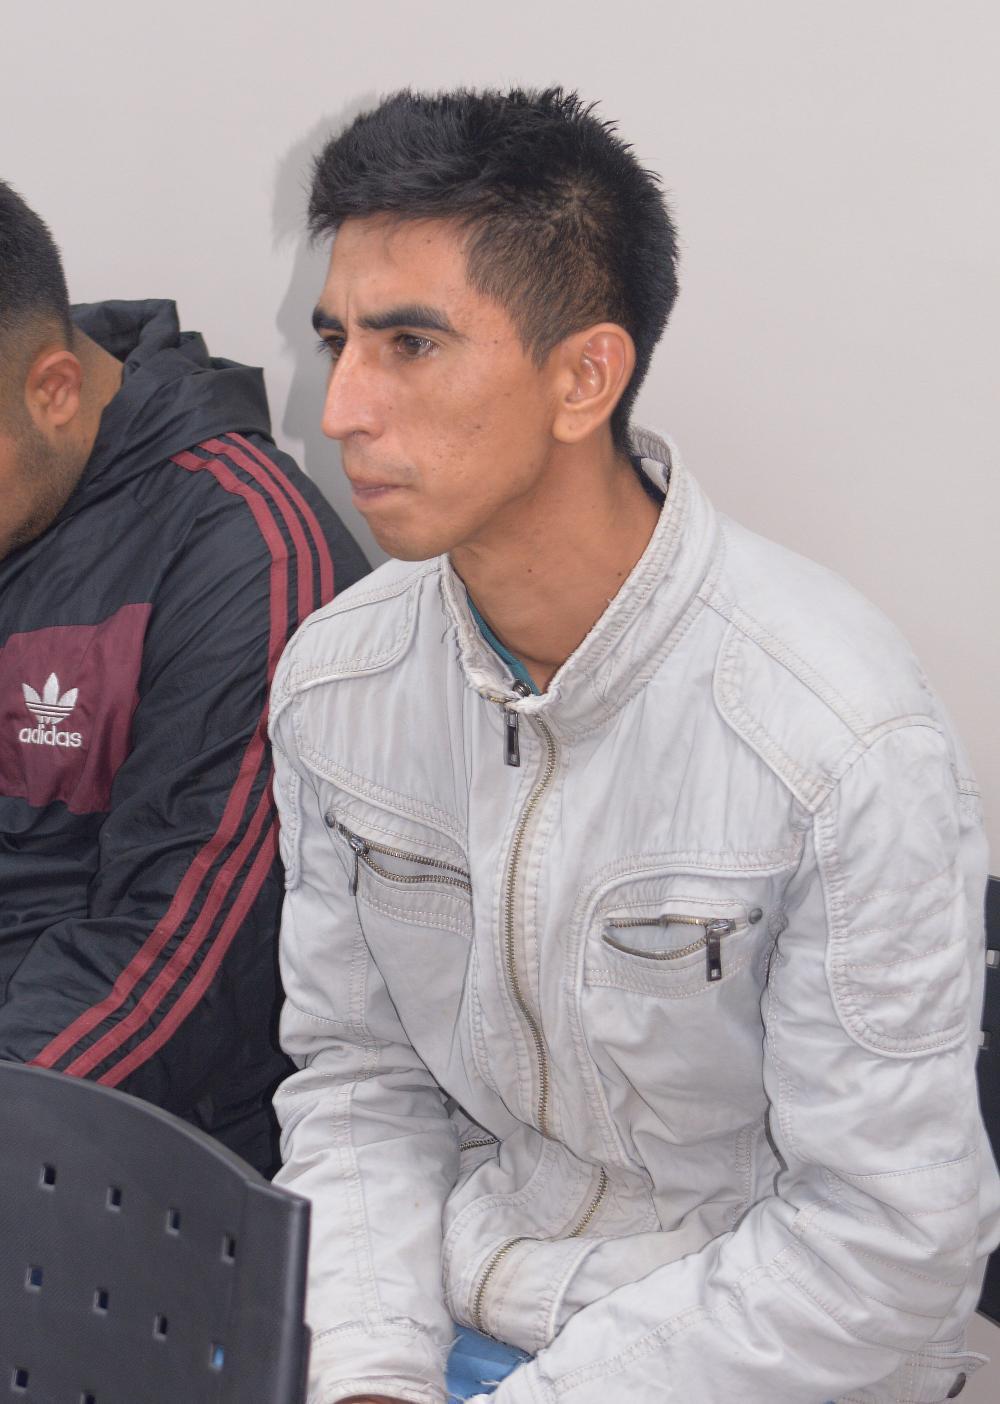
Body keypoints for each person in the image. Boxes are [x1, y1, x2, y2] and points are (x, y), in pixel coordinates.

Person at [268, 88, 1000, 1403]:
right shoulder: (341, 681)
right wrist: (371, 1374)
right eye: (337, 341)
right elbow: (359, 1082)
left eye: (410, 344)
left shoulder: (836, 736)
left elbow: (889, 1247)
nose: (341, 409)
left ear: (584, 378)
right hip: (448, 1323)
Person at [0, 180, 369, 1176]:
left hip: (113, 1149)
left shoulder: (249, 554)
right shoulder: (19, 465)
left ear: (54, 391)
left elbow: (172, 968)